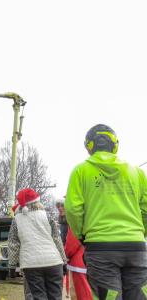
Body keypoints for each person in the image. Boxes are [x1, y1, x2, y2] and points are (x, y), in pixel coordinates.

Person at [65, 124, 147, 300]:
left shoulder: (80, 171)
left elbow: (72, 209)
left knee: (109, 297)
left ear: (89, 146)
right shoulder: (137, 173)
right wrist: (140, 232)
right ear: (115, 145)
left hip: (100, 248)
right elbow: (146, 209)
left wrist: (82, 235)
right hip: (136, 248)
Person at [8, 188, 67, 300]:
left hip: (31, 265)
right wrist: (64, 260)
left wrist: (12, 265)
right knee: (56, 297)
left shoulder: (16, 220)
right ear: (37, 201)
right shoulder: (47, 216)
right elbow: (56, 239)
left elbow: (13, 243)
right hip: (54, 262)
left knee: (38, 297)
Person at [65, 228, 92, 300]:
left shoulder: (76, 219)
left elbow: (71, 243)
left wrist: (66, 255)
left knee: (81, 294)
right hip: (101, 259)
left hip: (79, 262)